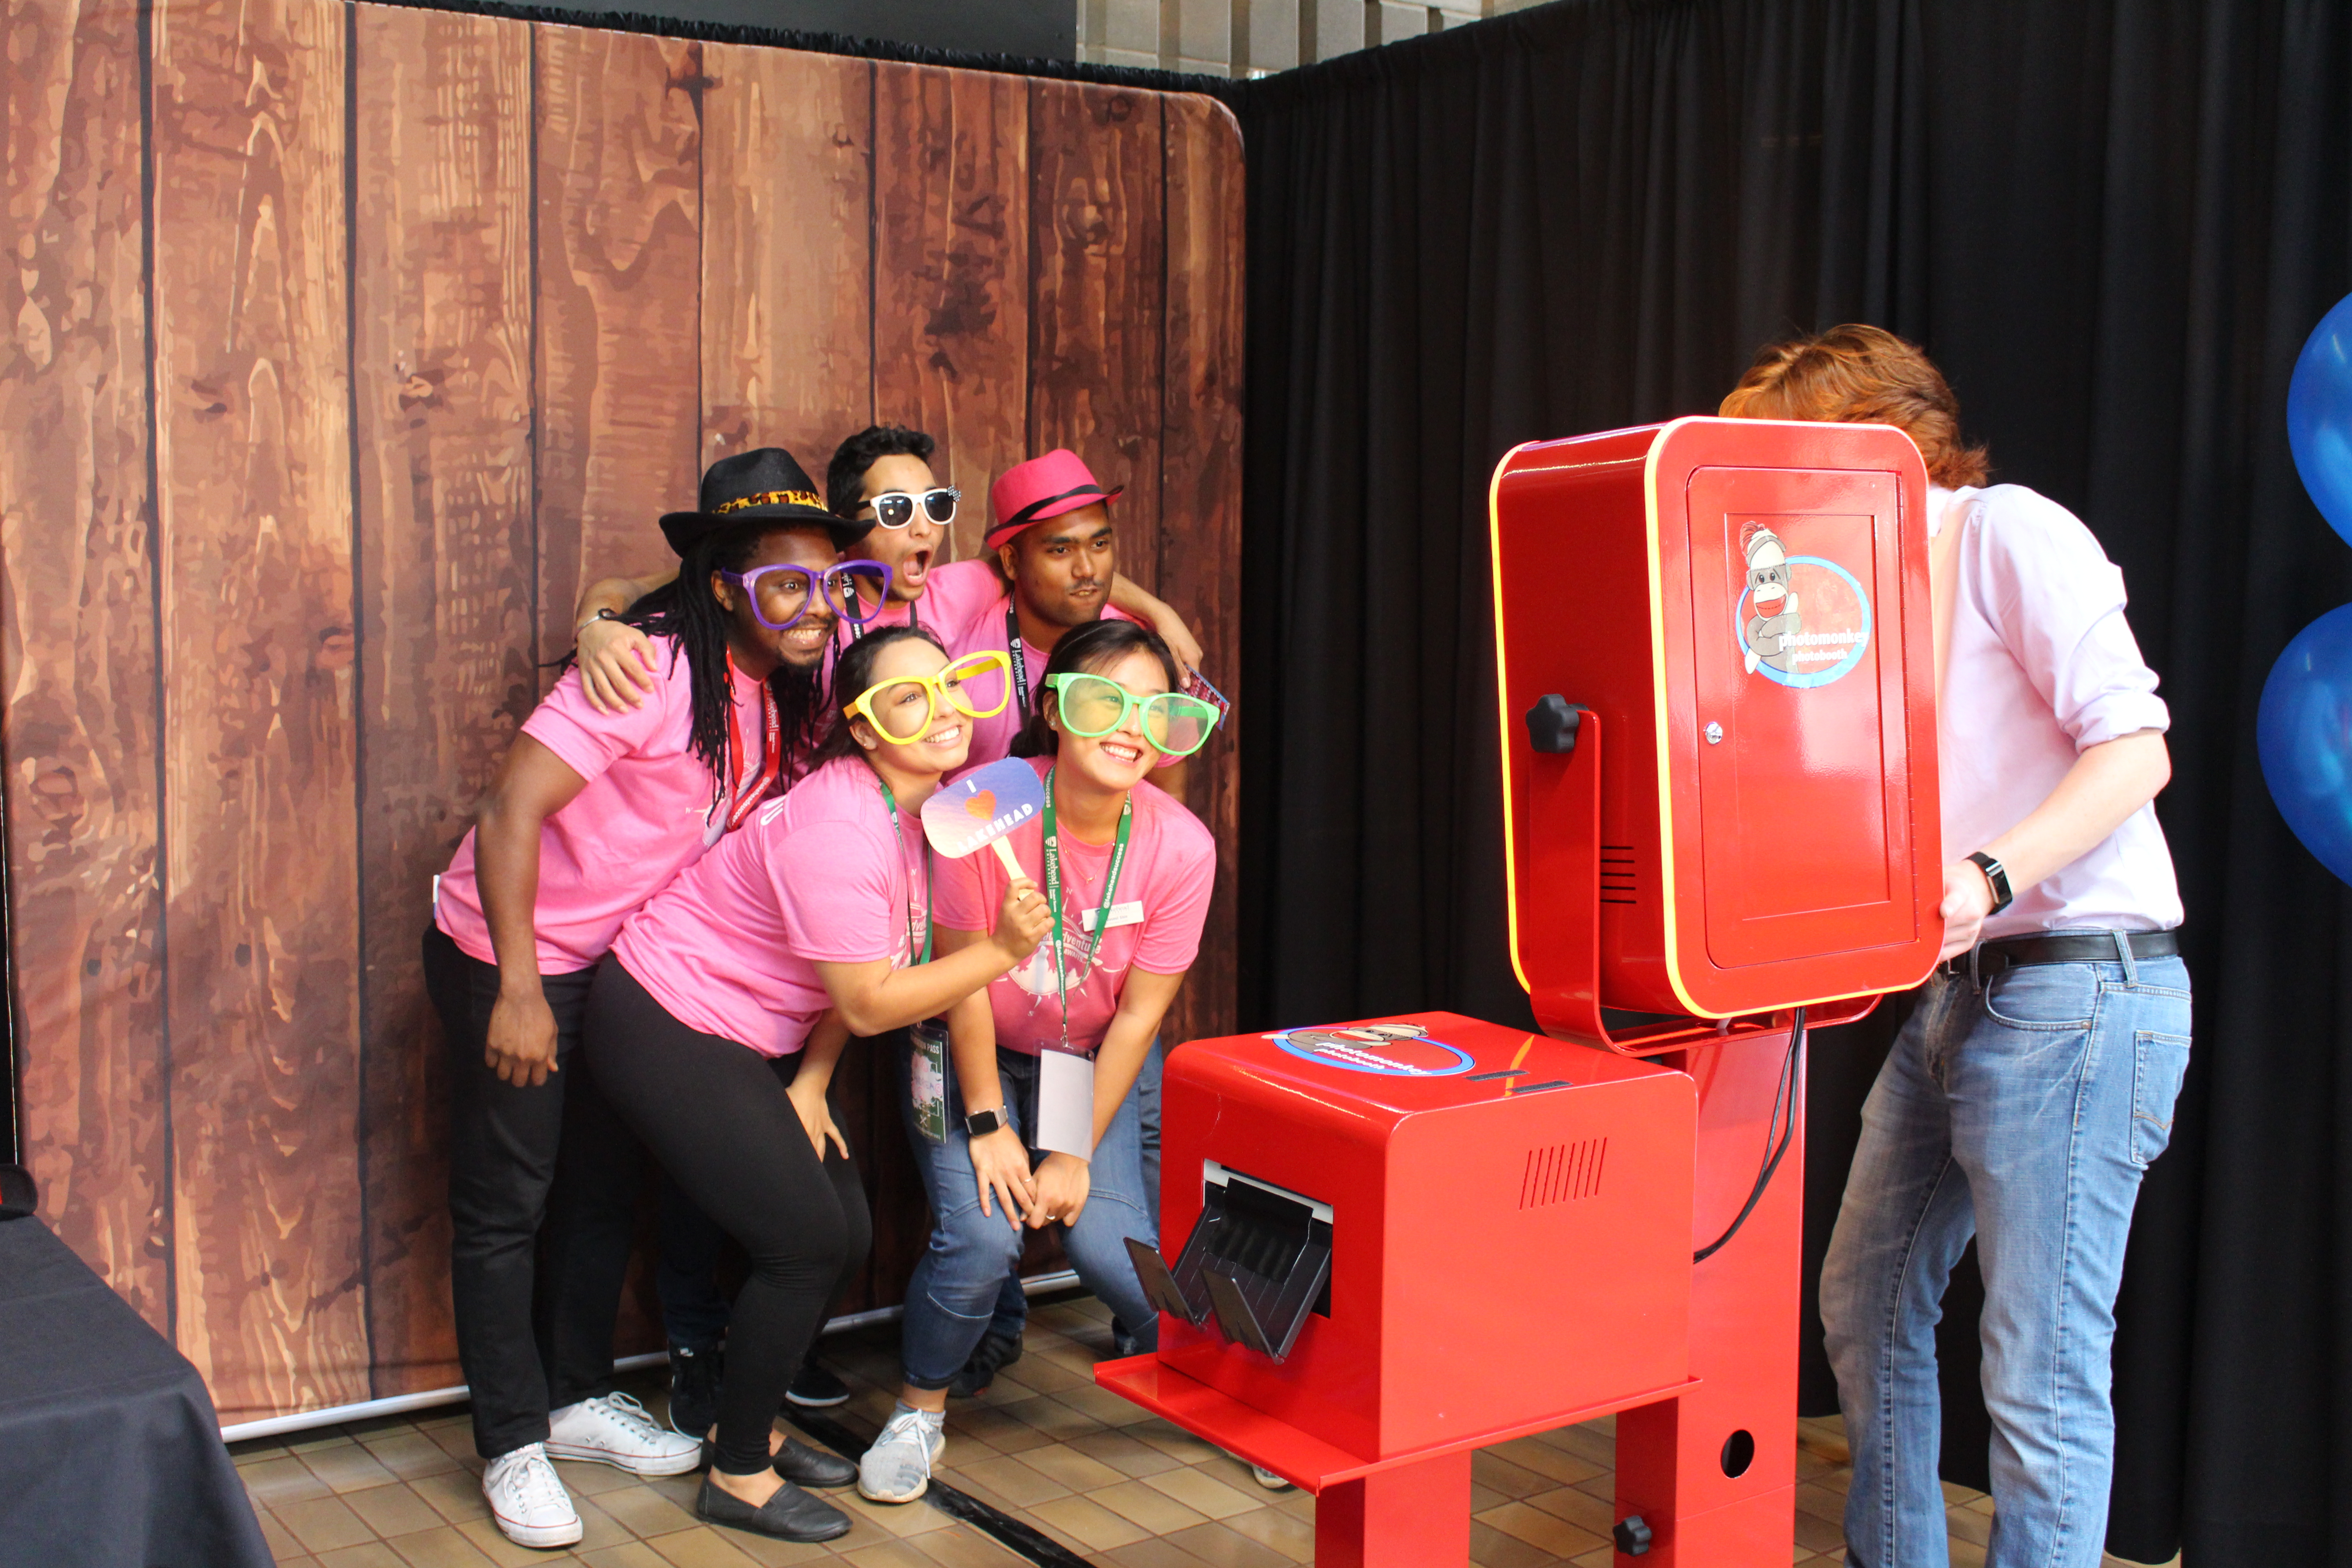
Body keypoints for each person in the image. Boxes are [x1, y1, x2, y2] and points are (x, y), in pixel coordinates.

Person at [1723, 325, 2190, 1568]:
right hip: (1962, 993)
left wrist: (1986, 876)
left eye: (1782, 457)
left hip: (2086, 993)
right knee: (1864, 1299)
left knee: (2039, 1377)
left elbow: (2137, 749)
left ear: (1882, 444)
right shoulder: (1850, 598)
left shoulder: (2007, 533)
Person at [423, 446, 870, 1549]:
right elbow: (507, 814)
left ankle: (574, 1401)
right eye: (784, 585)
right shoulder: (651, 670)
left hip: (627, 966)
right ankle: (512, 1443)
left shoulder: (792, 676)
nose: (815, 607)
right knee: (506, 1203)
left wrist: (598, 602)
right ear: (725, 586)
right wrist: (519, 991)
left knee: (599, 1190)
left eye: (830, 583)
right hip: (513, 951)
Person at [583, 623, 1054, 1543]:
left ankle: (740, 1420)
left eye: (954, 685)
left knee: (841, 1234)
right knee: (801, 1240)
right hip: (665, 1016)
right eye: (910, 697)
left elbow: (855, 968)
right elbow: (873, 999)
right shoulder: (842, 824)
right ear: (864, 728)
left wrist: (809, 1083)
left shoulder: (930, 812)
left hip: (759, 1033)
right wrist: (1001, 952)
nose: (945, 707)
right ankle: (739, 1475)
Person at [855, 619, 1218, 1505]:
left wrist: (1069, 1150)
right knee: (983, 1236)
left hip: (1074, 1064)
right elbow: (962, 986)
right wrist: (986, 1123)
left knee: (1107, 1250)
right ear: (1055, 707)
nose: (1130, 726)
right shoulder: (987, 806)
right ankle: (919, 1410)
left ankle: (1202, 1372)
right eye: (1105, 701)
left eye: (1154, 709)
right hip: (961, 1049)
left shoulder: (1182, 847)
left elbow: (1137, 1019)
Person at [568, 426, 1203, 713]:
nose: (925, 527)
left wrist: (1159, 613)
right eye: (898, 509)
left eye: (936, 505)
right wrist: (596, 623)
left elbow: (1055, 561)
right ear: (844, 529)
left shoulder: (957, 588)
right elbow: (638, 585)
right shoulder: (805, 596)